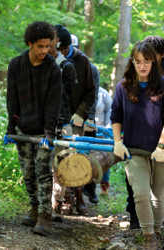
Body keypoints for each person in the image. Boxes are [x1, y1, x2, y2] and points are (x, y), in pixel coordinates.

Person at [110, 41, 164, 249]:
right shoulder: (123, 86)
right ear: (132, 62)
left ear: (153, 62)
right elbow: (116, 116)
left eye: (146, 62)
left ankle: (157, 233)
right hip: (134, 150)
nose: (142, 66)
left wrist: (161, 146)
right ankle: (148, 238)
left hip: (161, 149)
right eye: (138, 62)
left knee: (157, 196)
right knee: (140, 193)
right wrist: (117, 142)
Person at [4, 21, 62, 236]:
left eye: (48, 46)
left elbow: (53, 105)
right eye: (40, 46)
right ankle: (34, 208)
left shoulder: (53, 69)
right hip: (23, 130)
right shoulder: (16, 65)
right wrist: (11, 127)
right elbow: (12, 99)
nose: (45, 51)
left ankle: (45, 215)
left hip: (43, 132)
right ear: (30, 43)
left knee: (43, 172)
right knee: (28, 173)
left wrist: (49, 132)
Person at [125, 35, 164, 230]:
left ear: (160, 55)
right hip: (136, 139)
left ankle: (155, 229)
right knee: (136, 185)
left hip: (161, 136)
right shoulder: (133, 73)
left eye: (151, 56)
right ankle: (135, 218)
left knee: (158, 192)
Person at [56, 28, 96, 215]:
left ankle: (78, 195)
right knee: (56, 158)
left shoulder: (83, 62)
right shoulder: (51, 60)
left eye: (64, 49)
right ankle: (61, 199)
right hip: (55, 117)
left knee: (75, 158)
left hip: (75, 119)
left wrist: (81, 113)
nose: (62, 52)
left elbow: (90, 92)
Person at [47, 25, 77, 222]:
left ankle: (56, 203)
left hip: (62, 122)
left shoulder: (66, 66)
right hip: (39, 122)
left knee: (61, 164)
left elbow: (63, 96)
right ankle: (41, 205)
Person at [70, 34, 101, 204]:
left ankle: (90, 189)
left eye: (75, 47)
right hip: (67, 118)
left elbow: (93, 96)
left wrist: (86, 118)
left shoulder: (91, 68)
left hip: (86, 117)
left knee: (87, 155)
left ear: (79, 48)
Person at [95, 87, 112, 195]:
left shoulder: (103, 93)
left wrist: (108, 128)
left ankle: (104, 185)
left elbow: (110, 110)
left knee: (106, 157)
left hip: (102, 131)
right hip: (86, 130)